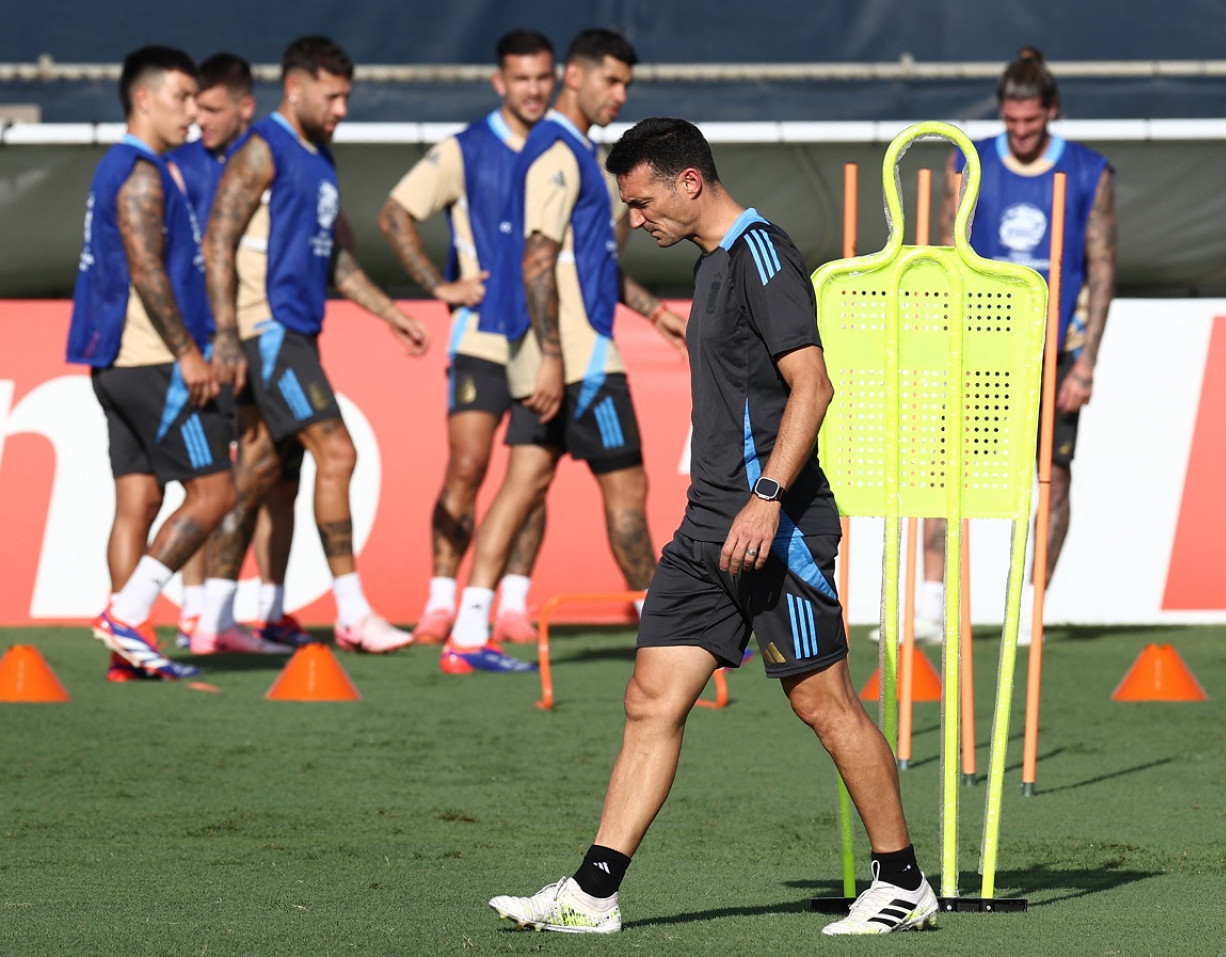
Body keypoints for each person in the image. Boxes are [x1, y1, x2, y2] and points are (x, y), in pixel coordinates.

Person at [489, 117, 939, 936]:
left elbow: (814, 385)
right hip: (709, 526)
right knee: (649, 699)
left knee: (824, 703)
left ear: (688, 181)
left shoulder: (764, 254)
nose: (635, 219)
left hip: (779, 524)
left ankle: (903, 881)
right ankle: (593, 895)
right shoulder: (709, 265)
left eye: (641, 201)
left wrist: (767, 496)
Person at [441, 28, 686, 676]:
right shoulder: (555, 151)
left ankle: (467, 632)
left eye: (626, 83)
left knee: (523, 484)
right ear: (573, 78)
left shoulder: (575, 149)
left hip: (559, 351)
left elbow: (590, 265)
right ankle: (670, 635)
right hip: (580, 359)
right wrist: (551, 355)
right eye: (611, 80)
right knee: (628, 493)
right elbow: (537, 259)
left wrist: (656, 312)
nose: (620, 94)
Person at [197, 35, 429, 654]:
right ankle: (352, 613)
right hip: (268, 332)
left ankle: (218, 619)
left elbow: (338, 262)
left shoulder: (318, 156)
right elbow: (216, 241)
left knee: (263, 476)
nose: (342, 109)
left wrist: (390, 313)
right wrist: (224, 334)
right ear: (295, 89)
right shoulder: (262, 149)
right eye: (333, 96)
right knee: (338, 452)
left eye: (347, 97)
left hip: (294, 331)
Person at [879, 46, 1116, 647]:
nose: (1021, 131)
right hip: (979, 345)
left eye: (1031, 121)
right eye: (1011, 121)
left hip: (1054, 347)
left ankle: (1029, 609)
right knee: (943, 472)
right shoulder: (972, 163)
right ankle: (930, 604)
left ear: (1052, 112)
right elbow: (941, 249)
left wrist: (1085, 363)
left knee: (1053, 478)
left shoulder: (1090, 171)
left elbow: (1103, 267)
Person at [377, 30, 556, 648]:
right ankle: (440, 600)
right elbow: (394, 213)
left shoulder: (563, 147)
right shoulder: (463, 149)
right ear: (499, 83)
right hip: (479, 335)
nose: (533, 89)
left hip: (545, 341)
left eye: (542, 77)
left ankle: (511, 601)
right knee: (467, 467)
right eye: (521, 78)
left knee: (532, 476)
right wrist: (439, 284)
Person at [66, 46, 237, 680]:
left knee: (137, 498)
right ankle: (127, 615)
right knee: (216, 489)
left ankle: (126, 654)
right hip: (152, 361)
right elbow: (145, 268)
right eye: (183, 97)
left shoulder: (129, 167)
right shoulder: (141, 171)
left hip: (115, 360)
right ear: (144, 99)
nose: (194, 112)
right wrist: (190, 352)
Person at [168, 53, 308, 653]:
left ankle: (265, 607)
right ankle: (197, 611)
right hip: (206, 342)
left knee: (275, 475)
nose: (199, 118)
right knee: (207, 476)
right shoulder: (179, 167)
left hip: (253, 338)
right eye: (194, 106)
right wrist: (213, 336)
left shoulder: (267, 159)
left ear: (244, 108)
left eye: (212, 108)